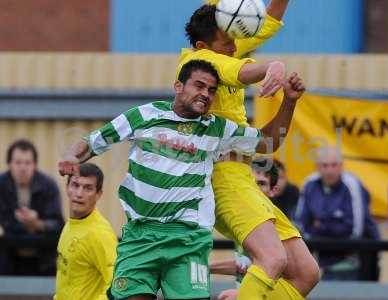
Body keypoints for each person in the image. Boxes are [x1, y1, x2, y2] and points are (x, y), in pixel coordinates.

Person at [59, 60, 306, 300]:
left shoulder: (216, 129)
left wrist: (290, 103)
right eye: (199, 86)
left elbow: (268, 140)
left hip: (188, 239)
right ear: (179, 86)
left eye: (211, 90)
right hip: (141, 234)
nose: (206, 94)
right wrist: (71, 156)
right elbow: (94, 141)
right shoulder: (145, 116)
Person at [178, 3, 320, 300]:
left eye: (234, 40)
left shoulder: (224, 51)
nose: (234, 47)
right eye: (227, 42)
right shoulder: (198, 63)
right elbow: (239, 70)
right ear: (204, 45)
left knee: (306, 273)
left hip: (243, 176)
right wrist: (272, 66)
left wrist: (289, 101)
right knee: (273, 260)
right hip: (221, 179)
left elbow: (267, 146)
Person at [296, 146, 380, 280]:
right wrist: (332, 224)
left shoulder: (352, 185)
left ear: (341, 166)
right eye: (324, 165)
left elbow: (354, 230)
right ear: (317, 167)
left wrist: (320, 225)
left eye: (334, 165)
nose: (329, 170)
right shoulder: (309, 184)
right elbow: (302, 225)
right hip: (318, 262)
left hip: (354, 262)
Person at [211, 157, 279, 300]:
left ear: (273, 190)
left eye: (261, 184)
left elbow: (283, 275)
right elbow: (245, 266)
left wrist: (241, 294)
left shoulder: (276, 227)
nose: (254, 189)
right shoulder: (241, 220)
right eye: (250, 183)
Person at [0, 139, 64, 275]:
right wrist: (18, 222)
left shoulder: (48, 185)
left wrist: (37, 224)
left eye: (27, 162)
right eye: (18, 162)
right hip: (7, 257)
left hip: (43, 258)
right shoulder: (1, 185)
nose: (22, 168)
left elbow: (59, 225)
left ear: (35, 165)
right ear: (10, 164)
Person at [54, 163, 117, 300]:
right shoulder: (70, 225)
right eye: (75, 185)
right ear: (67, 188)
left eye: (88, 188)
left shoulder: (100, 233)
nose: (79, 193)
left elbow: (117, 284)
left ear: (98, 194)